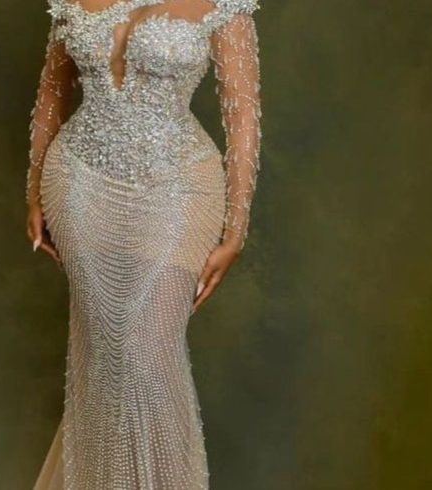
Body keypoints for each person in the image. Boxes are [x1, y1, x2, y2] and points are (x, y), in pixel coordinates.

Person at [26, 0, 261, 488]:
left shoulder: (224, 3)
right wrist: (34, 191)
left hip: (179, 188)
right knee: (105, 359)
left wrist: (236, 229)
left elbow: (242, 115)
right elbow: (52, 90)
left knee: (148, 360)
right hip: (79, 184)